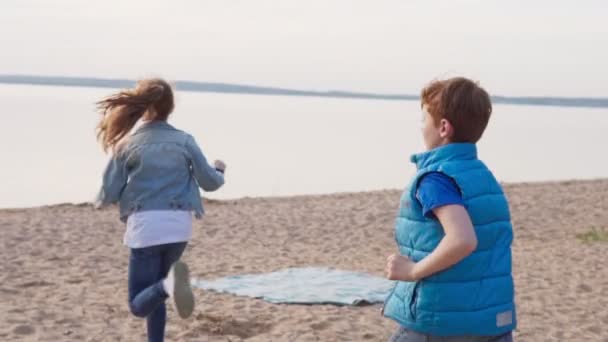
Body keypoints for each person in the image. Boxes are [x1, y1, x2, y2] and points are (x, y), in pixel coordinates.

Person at [383, 77, 515, 342]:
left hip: (440, 321)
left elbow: (462, 239)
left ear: (443, 127)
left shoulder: (436, 179)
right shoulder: (483, 176)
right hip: (493, 322)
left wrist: (411, 272)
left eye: (423, 120)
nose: (420, 127)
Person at [95, 78, 226, 342]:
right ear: (170, 108)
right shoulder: (185, 141)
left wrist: (100, 201)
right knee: (157, 298)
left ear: (144, 108)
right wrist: (220, 170)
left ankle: (169, 284)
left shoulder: (127, 145)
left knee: (137, 304)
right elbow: (210, 183)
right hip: (179, 226)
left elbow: (108, 192)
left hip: (146, 227)